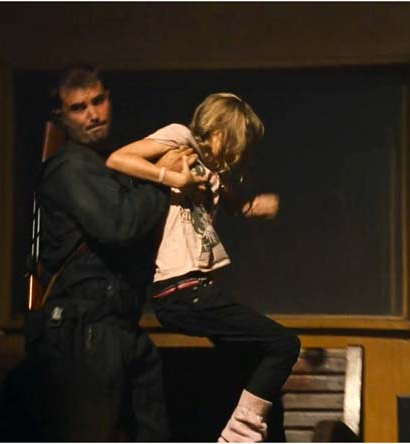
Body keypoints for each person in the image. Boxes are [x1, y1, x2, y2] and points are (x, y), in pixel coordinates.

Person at [106, 93, 302, 443]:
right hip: (180, 288)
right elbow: (119, 159)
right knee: (284, 344)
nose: (240, 154)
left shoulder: (213, 173)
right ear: (223, 132)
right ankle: (238, 437)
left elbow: (236, 206)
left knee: (253, 362)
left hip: (195, 290)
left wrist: (260, 207)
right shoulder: (180, 137)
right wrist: (171, 177)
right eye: (240, 143)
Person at [25, 64, 189, 441]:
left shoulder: (104, 165)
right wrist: (161, 178)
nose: (93, 114)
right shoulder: (70, 167)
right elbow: (120, 224)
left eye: (98, 101)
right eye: (78, 107)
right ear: (61, 116)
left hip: (117, 328)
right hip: (86, 330)